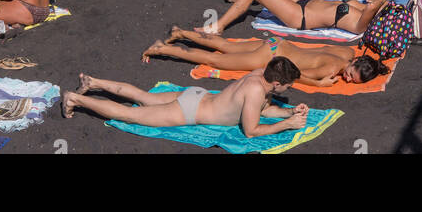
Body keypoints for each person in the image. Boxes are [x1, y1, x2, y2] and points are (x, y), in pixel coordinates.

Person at [61, 63, 308, 138]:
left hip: (196, 95)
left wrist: (289, 113)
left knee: (143, 98)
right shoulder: (256, 91)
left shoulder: (259, 76)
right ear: (276, 83)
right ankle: (75, 99)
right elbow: (251, 130)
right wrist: (285, 126)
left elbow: (262, 110)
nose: (288, 89)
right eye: (287, 85)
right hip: (189, 110)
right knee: (130, 115)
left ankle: (93, 82)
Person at [144, 28, 383, 86]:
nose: (348, 80)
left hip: (276, 42)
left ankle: (181, 32)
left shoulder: (348, 52)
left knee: (225, 45)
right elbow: (295, 76)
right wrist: (319, 83)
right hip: (268, 55)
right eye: (352, 75)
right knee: (214, 61)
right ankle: (162, 49)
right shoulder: (330, 70)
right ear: (353, 65)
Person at [212, 0, 390, 36]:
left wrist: (378, 2)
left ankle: (219, 27)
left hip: (300, 16)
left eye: (381, 5)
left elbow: (370, 9)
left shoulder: (361, 25)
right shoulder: (363, 5)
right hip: (305, 1)